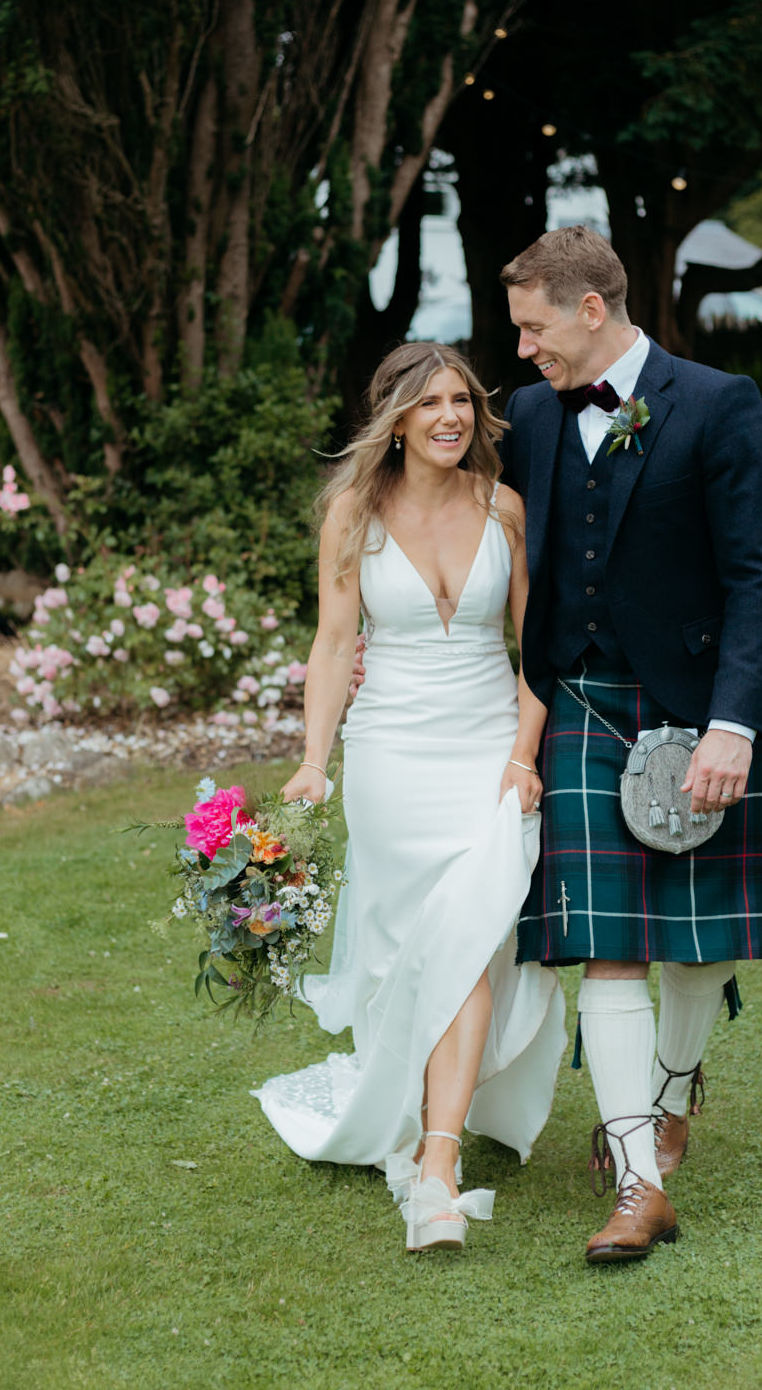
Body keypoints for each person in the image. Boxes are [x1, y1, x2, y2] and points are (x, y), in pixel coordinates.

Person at [498, 225, 762, 1263]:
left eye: (534, 327)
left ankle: (672, 1092)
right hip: (580, 703)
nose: (525, 350)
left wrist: (733, 725)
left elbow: (759, 574)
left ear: (591, 309)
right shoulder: (533, 417)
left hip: (689, 704)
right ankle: (638, 1181)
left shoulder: (717, 404)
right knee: (609, 941)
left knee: (691, 939)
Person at [251, 342, 566, 1254]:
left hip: (483, 750)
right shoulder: (354, 515)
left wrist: (521, 755)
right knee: (405, 948)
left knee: (472, 936)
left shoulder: (503, 509)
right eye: (429, 403)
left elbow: (535, 650)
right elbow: (330, 643)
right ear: (394, 418)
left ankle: (437, 1171)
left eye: (462, 400)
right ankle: (414, 1118)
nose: (450, 418)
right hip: (388, 752)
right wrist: (315, 760)